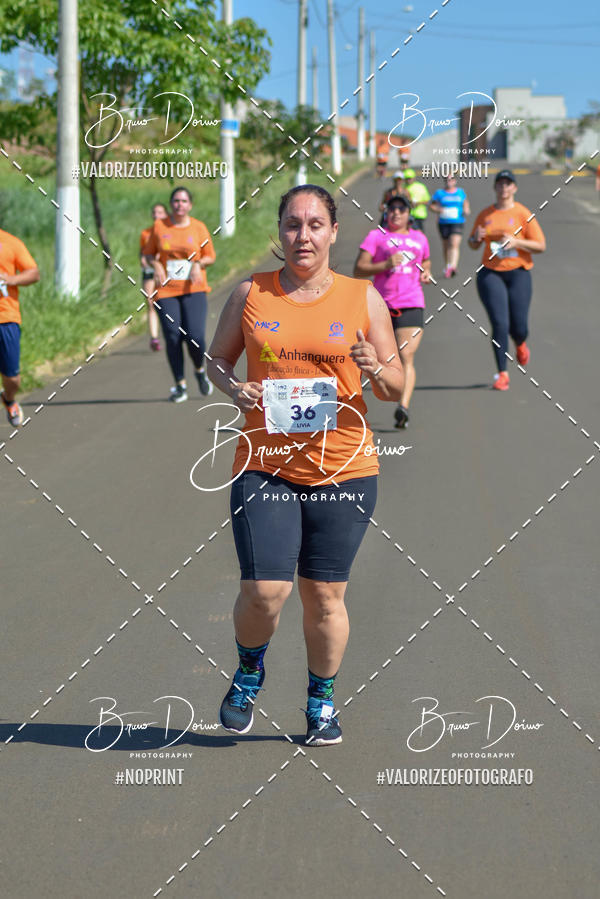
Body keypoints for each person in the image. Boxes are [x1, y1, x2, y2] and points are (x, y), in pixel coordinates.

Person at [206, 184, 404, 746]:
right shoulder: (251, 292)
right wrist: (236, 388)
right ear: (280, 231)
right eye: (293, 224)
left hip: (344, 465)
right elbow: (217, 361)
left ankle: (321, 700)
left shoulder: (361, 298)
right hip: (265, 462)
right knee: (266, 591)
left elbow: (393, 388)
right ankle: (250, 669)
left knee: (324, 596)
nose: (303, 236)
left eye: (315, 224)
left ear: (333, 232)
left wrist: (373, 363)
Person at [354, 195, 430, 429]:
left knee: (406, 355)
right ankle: (354, 406)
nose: (396, 213)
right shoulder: (376, 236)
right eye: (392, 208)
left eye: (401, 209)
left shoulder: (419, 238)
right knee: (372, 358)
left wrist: (426, 272)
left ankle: (403, 407)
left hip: (411, 303)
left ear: (409, 213)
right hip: (380, 307)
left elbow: (425, 262)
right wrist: (385, 265)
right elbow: (359, 269)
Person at [468, 170, 546, 391]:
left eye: (508, 184)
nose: (504, 188)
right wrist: (476, 237)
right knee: (500, 323)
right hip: (490, 273)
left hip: (518, 273)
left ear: (514, 188)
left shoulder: (523, 213)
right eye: (500, 183)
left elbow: (540, 245)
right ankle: (502, 373)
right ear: (495, 188)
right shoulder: (485, 214)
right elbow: (472, 243)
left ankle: (520, 342)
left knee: (518, 325)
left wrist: (517, 242)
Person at [143, 186, 216, 401]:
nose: (179, 205)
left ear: (190, 205)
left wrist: (198, 263)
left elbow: (210, 256)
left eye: (184, 201)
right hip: (166, 290)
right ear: (170, 204)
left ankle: (200, 370)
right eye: (176, 201)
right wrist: (156, 264)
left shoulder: (198, 228)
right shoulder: (159, 227)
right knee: (173, 335)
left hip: (194, 288)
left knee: (194, 336)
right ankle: (180, 385)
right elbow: (147, 255)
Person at [0, 228, 40, 427]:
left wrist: (11, 279)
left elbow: (33, 273)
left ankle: (8, 398)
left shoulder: (10, 242)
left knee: (12, 378)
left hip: (6, 317)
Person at [140, 202, 168, 351]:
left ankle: (172, 330)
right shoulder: (145, 234)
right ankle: (154, 337)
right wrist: (144, 260)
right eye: (155, 212)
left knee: (167, 302)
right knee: (151, 302)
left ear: (166, 215)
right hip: (150, 272)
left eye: (160, 212)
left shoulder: (170, 232)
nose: (157, 215)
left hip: (167, 273)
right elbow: (143, 253)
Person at [429, 174, 470, 278]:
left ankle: (453, 266)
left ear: (455, 181)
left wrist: (466, 209)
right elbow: (431, 205)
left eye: (451, 179)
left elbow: (465, 202)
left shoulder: (460, 192)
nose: (449, 181)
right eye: (447, 179)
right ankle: (447, 265)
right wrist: (438, 209)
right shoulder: (439, 193)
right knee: (446, 245)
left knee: (454, 243)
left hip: (457, 221)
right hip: (443, 222)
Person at [402, 168, 430, 232]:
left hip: (419, 215)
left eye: (410, 178)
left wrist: (418, 203)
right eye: (406, 178)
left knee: (419, 234)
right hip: (406, 215)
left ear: (414, 178)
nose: (408, 180)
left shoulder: (421, 187)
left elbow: (427, 201)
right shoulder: (402, 188)